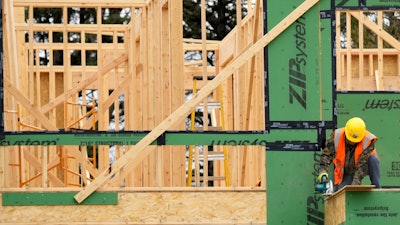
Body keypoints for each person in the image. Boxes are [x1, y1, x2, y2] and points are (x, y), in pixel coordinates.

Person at [317, 117, 381, 191]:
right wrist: (323, 171)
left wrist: (355, 186)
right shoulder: (337, 136)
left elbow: (362, 165)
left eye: (355, 141)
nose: (352, 142)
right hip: (346, 171)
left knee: (373, 159)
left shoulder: (368, 140)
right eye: (350, 140)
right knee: (342, 193)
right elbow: (326, 155)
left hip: (363, 166)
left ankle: (378, 190)